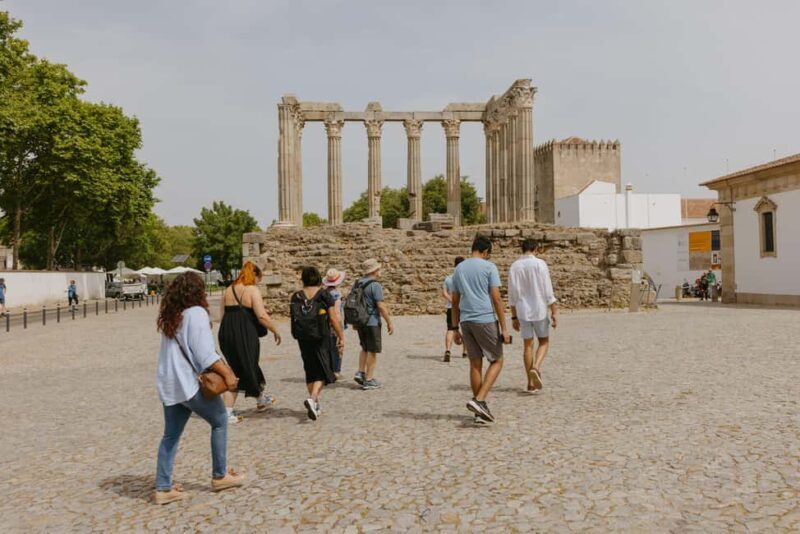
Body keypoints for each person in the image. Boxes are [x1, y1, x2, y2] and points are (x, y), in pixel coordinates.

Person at [154, 272, 244, 505]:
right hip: (188, 382)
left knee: (170, 435)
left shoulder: (174, 315)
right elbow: (205, 354)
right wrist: (228, 374)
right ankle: (220, 475)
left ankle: (163, 487)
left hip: (171, 383)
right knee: (220, 420)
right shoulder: (196, 313)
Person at [451, 235, 510, 425]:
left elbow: (454, 301)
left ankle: (479, 412)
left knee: (475, 364)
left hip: (465, 321)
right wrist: (504, 328)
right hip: (484, 318)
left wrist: (454, 327)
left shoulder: (459, 268)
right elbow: (496, 299)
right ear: (485, 252)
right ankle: (480, 399)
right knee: (497, 360)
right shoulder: (489, 267)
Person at [218, 262, 282, 422]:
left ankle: (260, 399)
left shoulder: (228, 290)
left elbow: (222, 315)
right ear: (255, 276)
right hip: (245, 334)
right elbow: (261, 315)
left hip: (226, 333)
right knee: (240, 369)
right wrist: (274, 329)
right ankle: (226, 412)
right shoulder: (252, 290)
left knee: (245, 365)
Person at [291, 266, 345, 420]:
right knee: (323, 370)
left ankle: (315, 405)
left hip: (303, 337)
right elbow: (333, 318)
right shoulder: (324, 295)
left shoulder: (296, 296)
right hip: (321, 336)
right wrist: (341, 336)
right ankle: (313, 398)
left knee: (310, 369)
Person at [508, 239, 558, 394]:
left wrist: (513, 317)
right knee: (544, 342)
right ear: (536, 249)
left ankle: (530, 384)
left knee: (527, 346)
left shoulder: (515, 266)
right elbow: (548, 290)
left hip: (522, 311)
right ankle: (535, 367)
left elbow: (512, 294)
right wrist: (554, 311)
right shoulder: (540, 264)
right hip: (539, 309)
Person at [352, 258, 394, 390]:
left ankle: (360, 372)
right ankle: (369, 379)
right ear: (375, 270)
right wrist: (389, 322)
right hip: (372, 321)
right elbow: (380, 306)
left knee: (364, 347)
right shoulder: (375, 285)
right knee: (372, 350)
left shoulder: (357, 283)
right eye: (379, 269)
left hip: (360, 321)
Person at [323, 268, 347, 379]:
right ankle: (336, 371)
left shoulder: (323, 293)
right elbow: (337, 313)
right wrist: (340, 329)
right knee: (338, 347)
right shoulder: (336, 294)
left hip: (325, 324)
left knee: (328, 348)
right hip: (334, 324)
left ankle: (328, 370)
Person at [441, 256, 466, 362]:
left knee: (450, 329)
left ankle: (448, 350)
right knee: (465, 329)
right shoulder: (465, 278)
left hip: (451, 307)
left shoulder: (449, 278)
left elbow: (444, 293)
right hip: (464, 306)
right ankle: (465, 351)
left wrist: (451, 300)